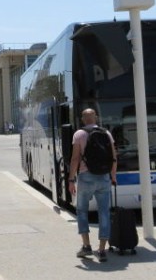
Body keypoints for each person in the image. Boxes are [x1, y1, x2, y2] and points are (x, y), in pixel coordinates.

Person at [68, 108, 117, 262]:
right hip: (103, 177)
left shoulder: (79, 134)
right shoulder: (106, 133)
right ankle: (102, 250)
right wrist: (113, 177)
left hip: (86, 177)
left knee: (82, 211)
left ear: (83, 119)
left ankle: (86, 246)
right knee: (104, 213)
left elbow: (75, 159)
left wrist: (71, 180)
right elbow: (114, 158)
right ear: (95, 117)